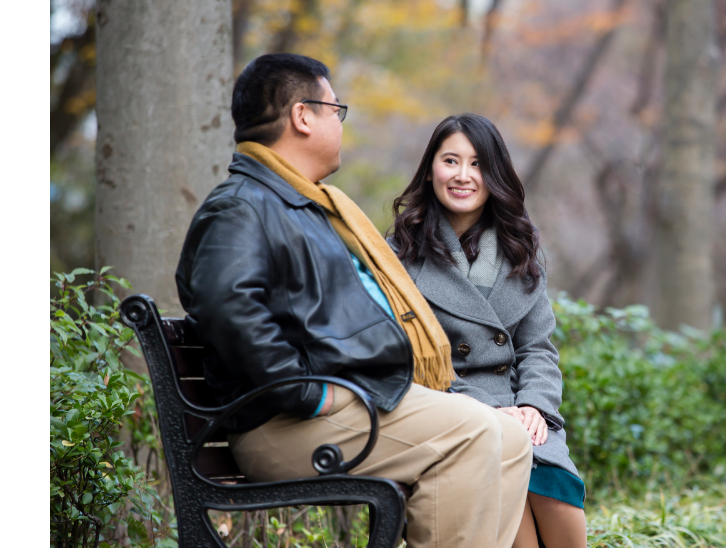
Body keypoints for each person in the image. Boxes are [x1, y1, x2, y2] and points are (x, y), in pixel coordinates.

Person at [174, 54, 533, 548]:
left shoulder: (307, 206)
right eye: (334, 110)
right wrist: (306, 393)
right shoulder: (242, 205)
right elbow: (226, 303)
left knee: (511, 440)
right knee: (473, 432)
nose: (338, 124)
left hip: (347, 402)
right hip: (286, 424)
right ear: (303, 116)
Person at [388, 114, 587, 548]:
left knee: (558, 499)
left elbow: (538, 348)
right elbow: (406, 358)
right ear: (430, 170)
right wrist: (487, 411)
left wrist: (535, 405)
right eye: (451, 161)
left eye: (477, 164)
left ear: (495, 173)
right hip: (457, 414)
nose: (463, 176)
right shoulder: (399, 254)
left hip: (522, 409)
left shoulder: (522, 246)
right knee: (517, 522)